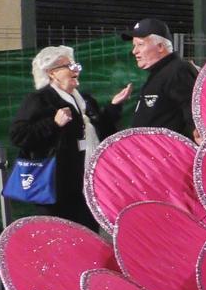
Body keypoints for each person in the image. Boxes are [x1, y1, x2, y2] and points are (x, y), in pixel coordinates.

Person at [9, 47, 131, 230]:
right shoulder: (39, 100)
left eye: (76, 65)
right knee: (59, 234)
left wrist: (114, 107)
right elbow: (19, 135)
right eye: (69, 65)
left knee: (88, 232)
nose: (76, 70)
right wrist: (53, 123)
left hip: (87, 181)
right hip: (56, 185)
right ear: (52, 73)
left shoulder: (85, 99)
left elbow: (101, 131)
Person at [122, 18, 198, 141]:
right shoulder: (159, 73)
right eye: (134, 45)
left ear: (160, 46)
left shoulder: (178, 70)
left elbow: (194, 112)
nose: (134, 51)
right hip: (154, 156)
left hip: (170, 157)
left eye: (140, 44)